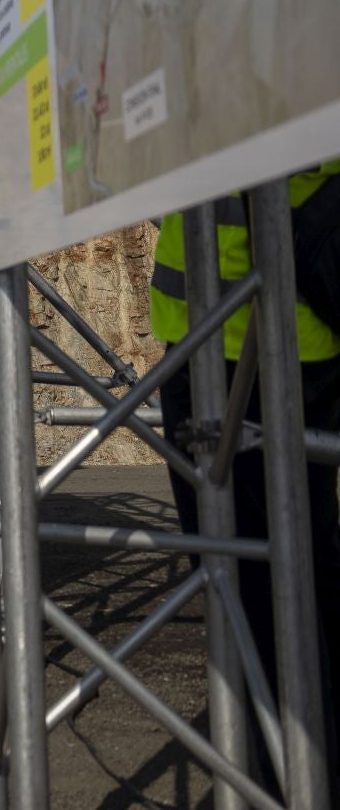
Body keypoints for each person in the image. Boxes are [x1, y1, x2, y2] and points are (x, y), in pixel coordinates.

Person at [148, 163, 340, 787]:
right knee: (295, 581)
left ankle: (296, 783)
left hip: (249, 338)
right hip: (274, 326)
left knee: (261, 593)